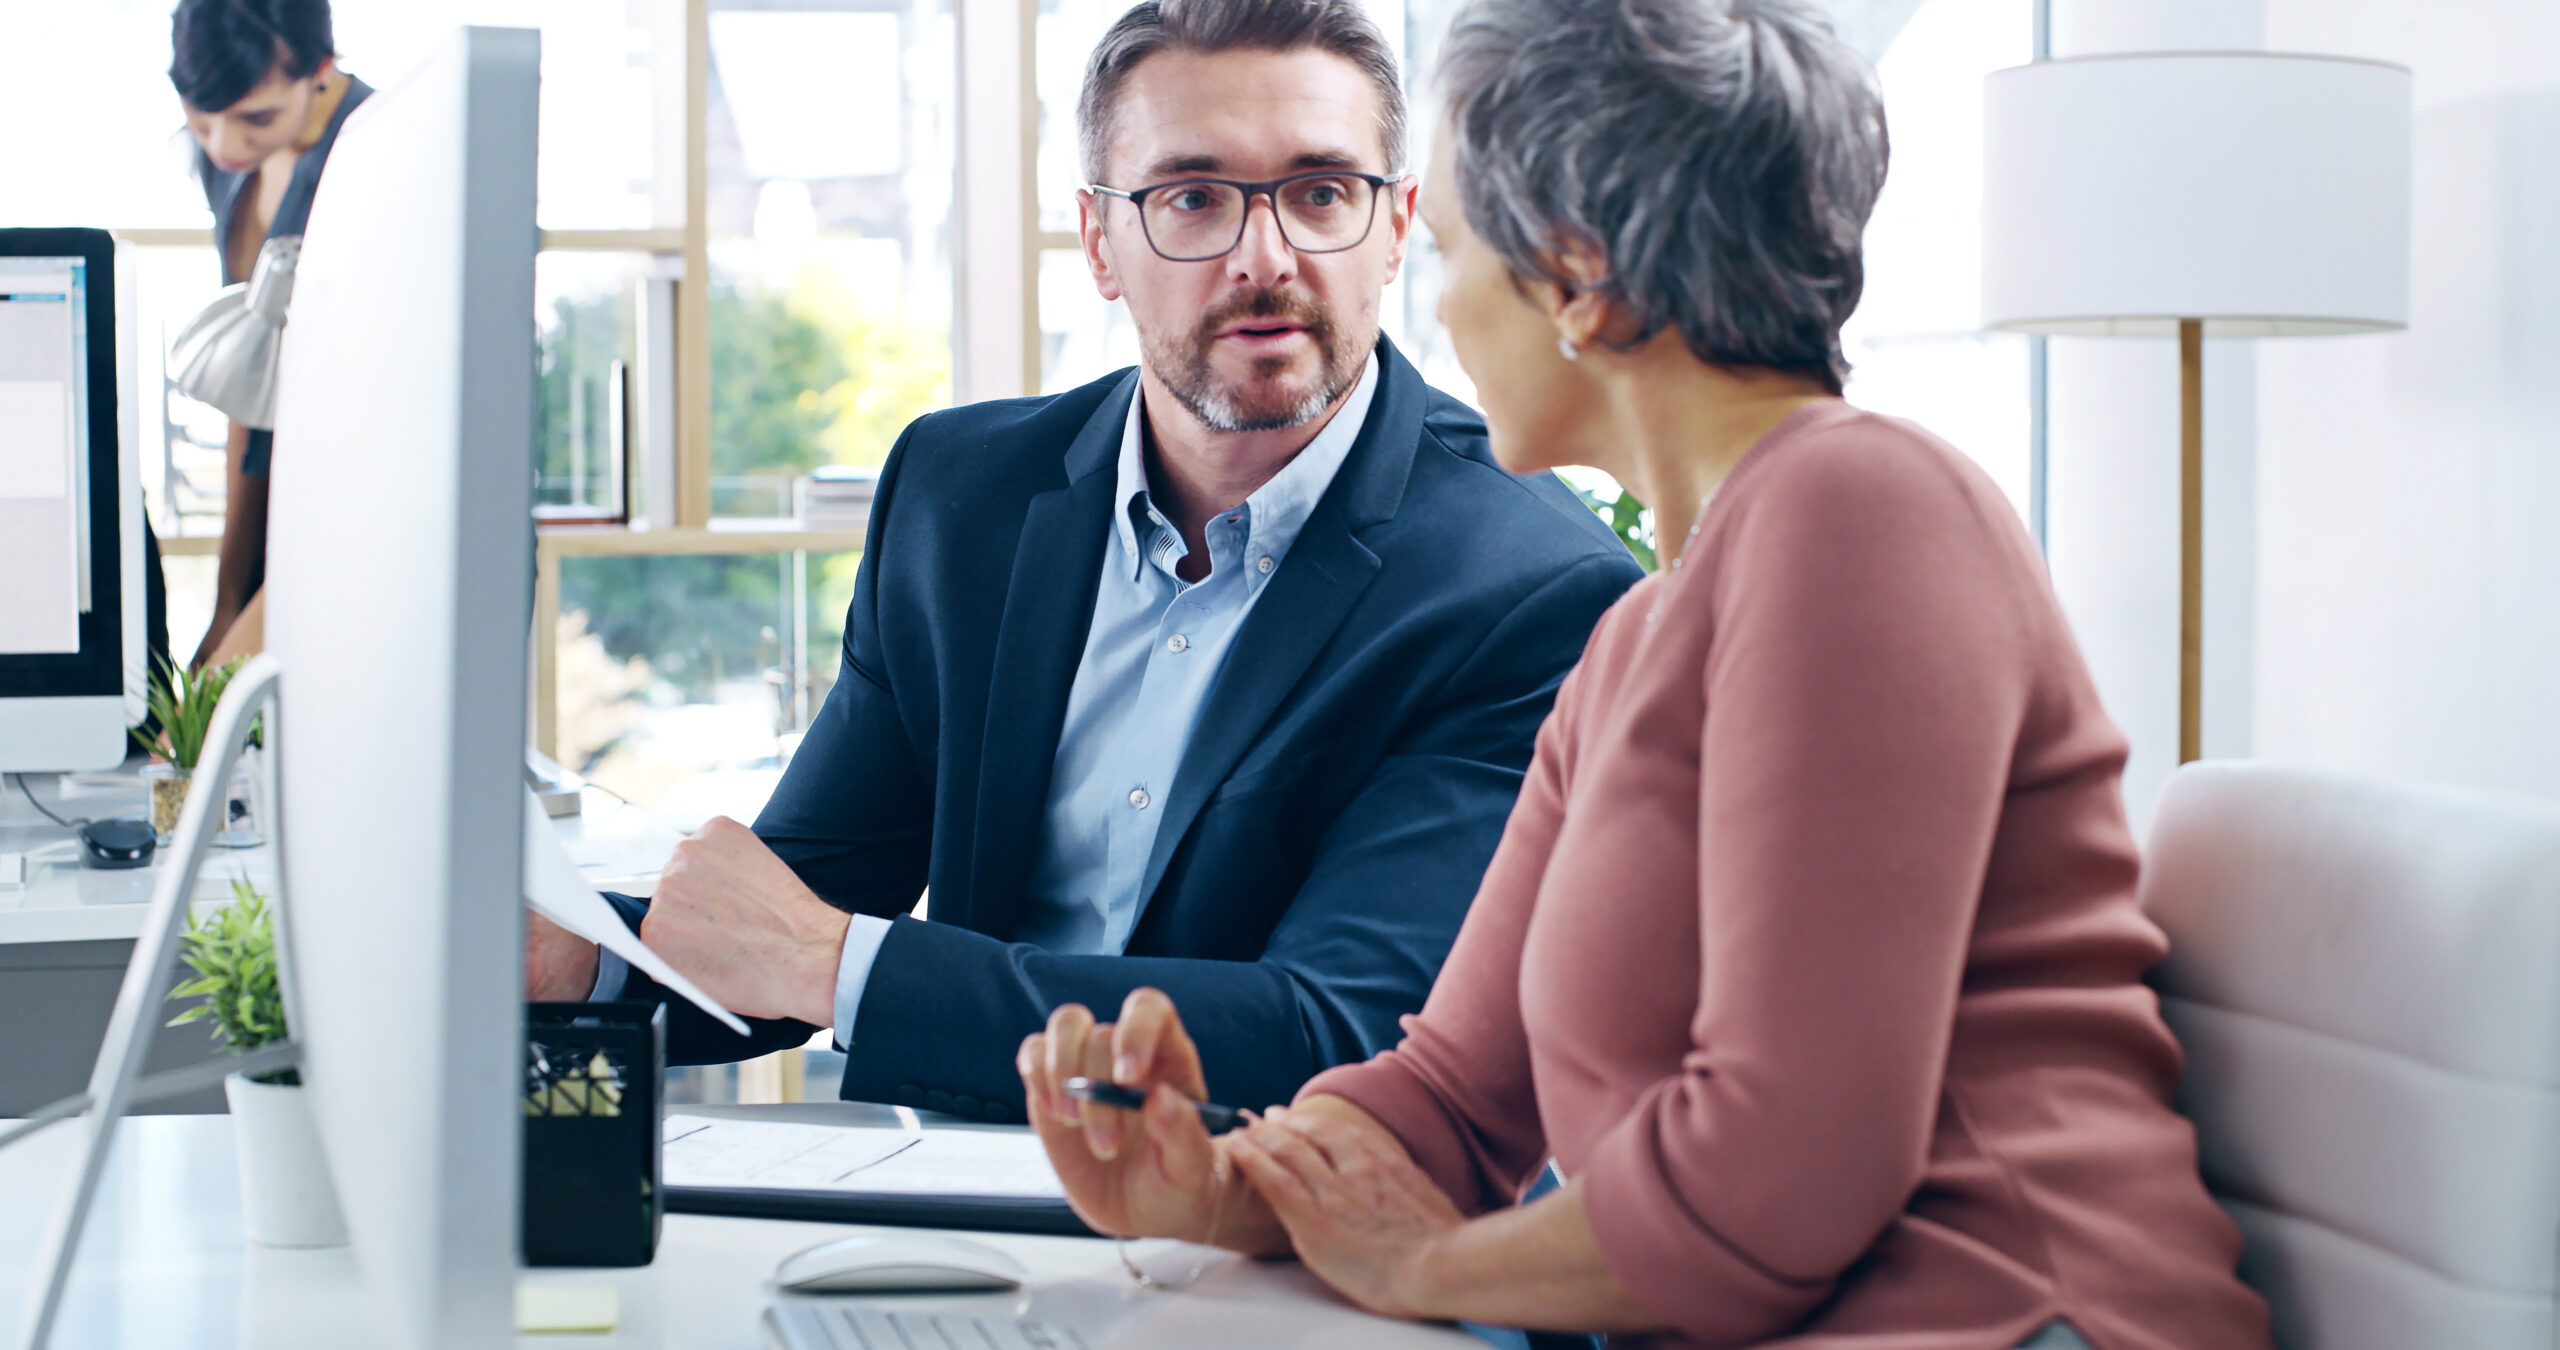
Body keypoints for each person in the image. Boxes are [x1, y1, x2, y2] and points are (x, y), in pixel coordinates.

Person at [1014, 1, 2273, 1346]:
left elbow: (1776, 1181)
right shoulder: (1642, 632)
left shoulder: (1859, 511)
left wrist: (1422, 1266)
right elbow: (1453, 1097)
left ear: (1578, 276)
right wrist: (1216, 1183)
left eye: (1452, 255)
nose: (1438, 313)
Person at [524, 0, 1643, 1123]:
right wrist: (582, 960)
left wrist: (833, 965)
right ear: (1100, 242)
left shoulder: (1528, 590)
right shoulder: (959, 495)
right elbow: (785, 914)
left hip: (1269, 1214)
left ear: (1393, 228)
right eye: (1193, 198)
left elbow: (1335, 1033)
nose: (1266, 258)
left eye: (1320, 193)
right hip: (955, 1193)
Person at [169, 0, 369, 668]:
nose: (225, 145)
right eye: (202, 118)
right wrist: (228, 601)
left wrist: (246, 622)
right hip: (278, 489)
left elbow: (366, 436)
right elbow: (254, 397)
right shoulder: (228, 165)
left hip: (361, 503)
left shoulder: (375, 153)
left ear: (322, 69)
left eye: (256, 118)